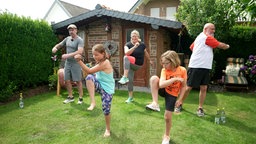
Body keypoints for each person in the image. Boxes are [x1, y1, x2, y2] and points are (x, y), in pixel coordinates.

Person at [175, 23, 230, 116]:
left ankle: (200, 108)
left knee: (204, 88)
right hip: (196, 66)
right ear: (205, 29)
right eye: (212, 29)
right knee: (188, 87)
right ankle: (178, 104)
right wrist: (228, 46)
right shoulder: (206, 37)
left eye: (214, 29)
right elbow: (221, 45)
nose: (213, 31)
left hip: (205, 67)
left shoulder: (199, 37)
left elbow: (192, 47)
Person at [145, 50, 187, 144]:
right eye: (162, 63)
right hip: (164, 90)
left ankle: (166, 136)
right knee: (154, 79)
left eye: (166, 63)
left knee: (167, 117)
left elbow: (184, 86)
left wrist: (180, 99)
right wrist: (175, 79)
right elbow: (161, 84)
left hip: (173, 94)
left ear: (173, 61)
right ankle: (155, 103)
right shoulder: (164, 70)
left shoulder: (183, 70)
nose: (163, 65)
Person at [74, 44, 115, 137]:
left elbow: (89, 70)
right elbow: (89, 73)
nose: (94, 57)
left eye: (96, 55)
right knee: (89, 78)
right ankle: (93, 102)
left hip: (107, 90)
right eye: (93, 54)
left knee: (106, 110)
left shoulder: (105, 63)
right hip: (100, 85)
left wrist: (79, 61)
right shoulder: (100, 61)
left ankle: (108, 129)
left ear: (103, 54)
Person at [52, 24, 84, 104]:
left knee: (78, 81)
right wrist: (55, 47)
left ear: (76, 30)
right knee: (67, 80)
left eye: (73, 30)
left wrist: (67, 55)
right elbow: (60, 44)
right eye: (70, 30)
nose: (71, 31)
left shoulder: (79, 40)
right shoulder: (67, 39)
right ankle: (70, 97)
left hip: (76, 63)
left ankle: (80, 98)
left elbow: (80, 51)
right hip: (68, 63)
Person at [118, 29, 151, 103]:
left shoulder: (142, 44)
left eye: (136, 36)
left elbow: (146, 53)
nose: (134, 38)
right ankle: (130, 97)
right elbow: (126, 53)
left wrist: (150, 60)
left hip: (138, 65)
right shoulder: (127, 45)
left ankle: (124, 77)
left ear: (138, 37)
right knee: (130, 81)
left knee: (126, 58)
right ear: (131, 37)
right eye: (133, 36)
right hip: (130, 65)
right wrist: (134, 47)